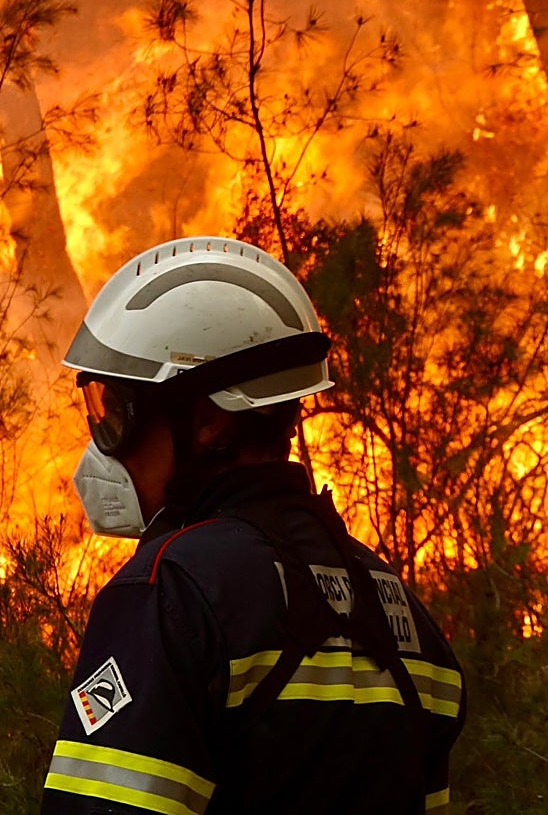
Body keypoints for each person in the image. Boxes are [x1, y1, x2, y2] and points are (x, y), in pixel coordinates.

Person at [41, 237, 465, 814]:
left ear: (211, 423)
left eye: (117, 413)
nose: (103, 443)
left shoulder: (171, 592)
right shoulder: (401, 609)